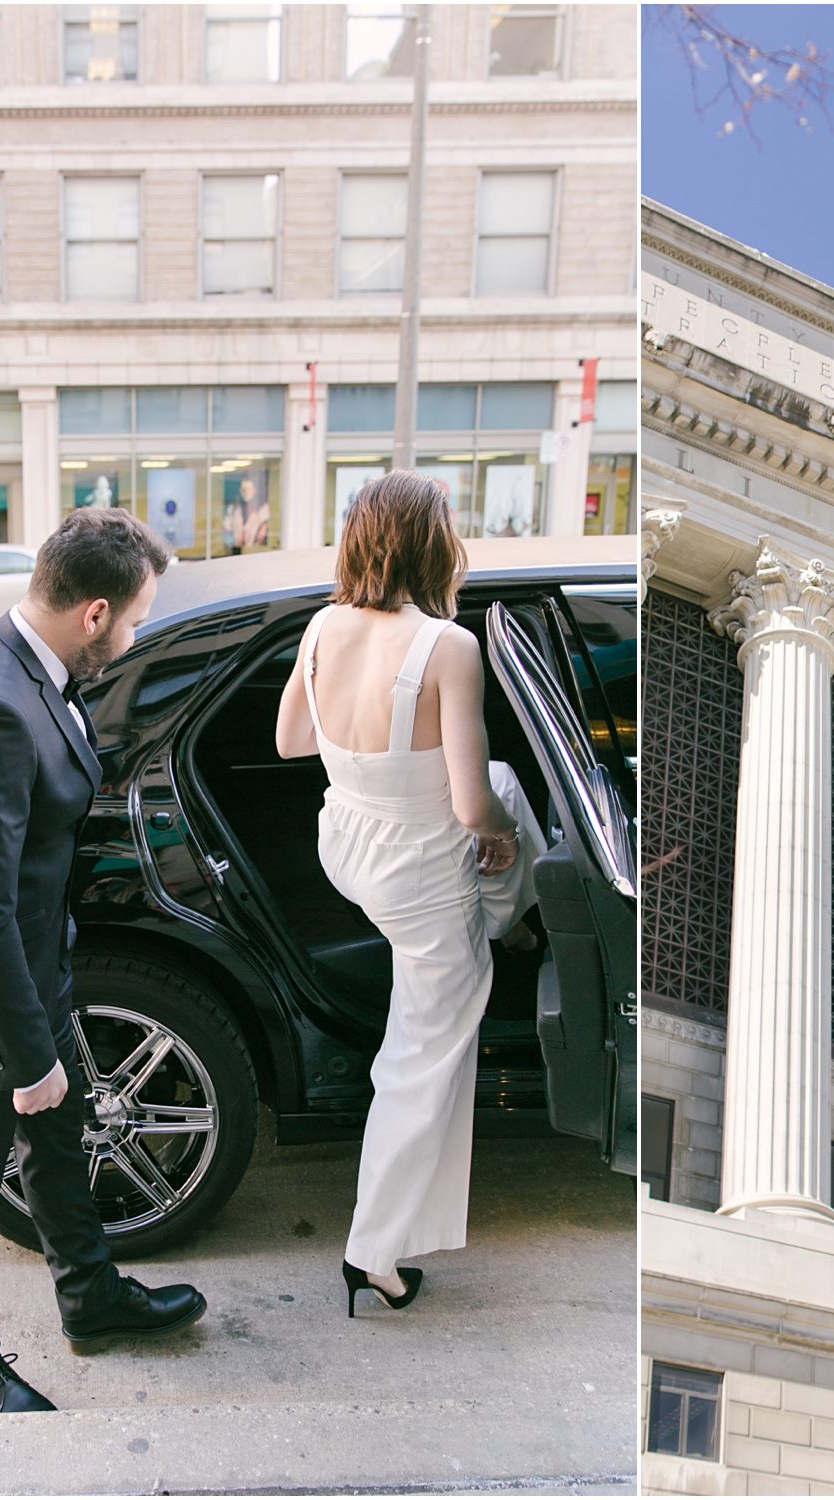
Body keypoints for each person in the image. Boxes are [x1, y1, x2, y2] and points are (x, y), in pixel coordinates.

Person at [0, 506, 205, 1414]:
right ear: (92, 612)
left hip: (30, 966)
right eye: (134, 617)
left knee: (64, 1140)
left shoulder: (31, 666)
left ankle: (90, 1302)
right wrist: (26, 1062)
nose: (135, 633)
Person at [273, 469, 545, 1315]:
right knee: (419, 1063)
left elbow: (289, 741)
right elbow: (469, 807)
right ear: (435, 546)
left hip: (347, 845)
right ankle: (375, 1255)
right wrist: (498, 836)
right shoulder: (448, 648)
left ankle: (507, 920)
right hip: (419, 878)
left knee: (498, 820)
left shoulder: (321, 625)